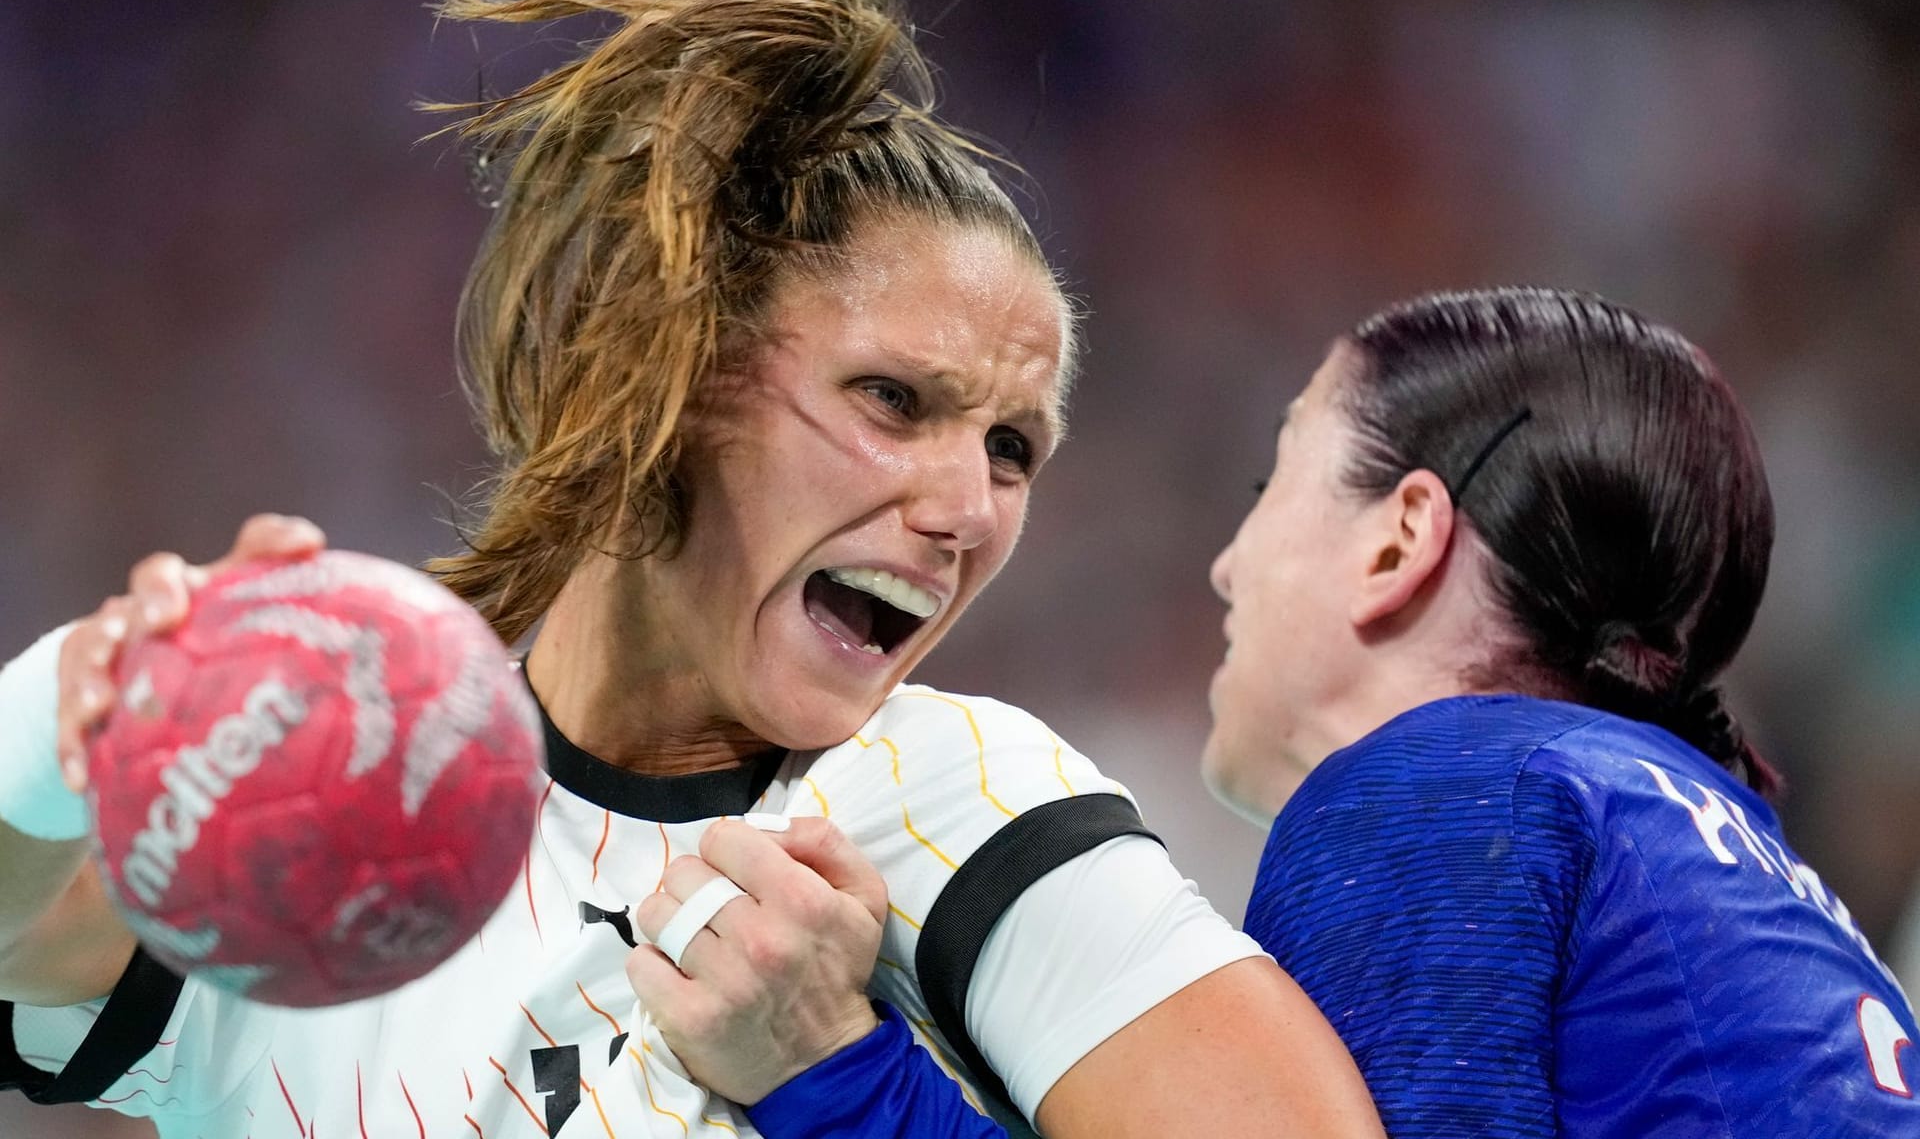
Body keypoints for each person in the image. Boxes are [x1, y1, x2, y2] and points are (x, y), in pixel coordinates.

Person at [0, 0, 1383, 1139]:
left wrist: (845, 1087)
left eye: (1014, 448)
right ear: (663, 365)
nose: (968, 503)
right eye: (893, 401)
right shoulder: (346, 818)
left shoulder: (956, 803)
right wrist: (74, 711)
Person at [669, 285, 1920, 1137]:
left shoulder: (1439, 791)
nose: (1225, 564)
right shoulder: (1677, 836)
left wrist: (832, 1068)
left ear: (1400, 543)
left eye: (1277, 480)